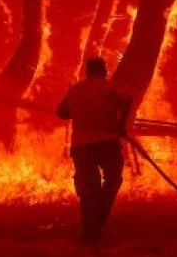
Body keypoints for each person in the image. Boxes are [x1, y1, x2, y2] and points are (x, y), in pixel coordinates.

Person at [56, 57, 133, 245]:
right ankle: (98, 220)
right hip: (107, 142)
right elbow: (128, 99)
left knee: (89, 188)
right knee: (113, 179)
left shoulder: (75, 90)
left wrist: (80, 111)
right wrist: (121, 124)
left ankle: (89, 231)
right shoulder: (108, 87)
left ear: (87, 71)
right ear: (104, 70)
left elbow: (61, 112)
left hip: (82, 146)